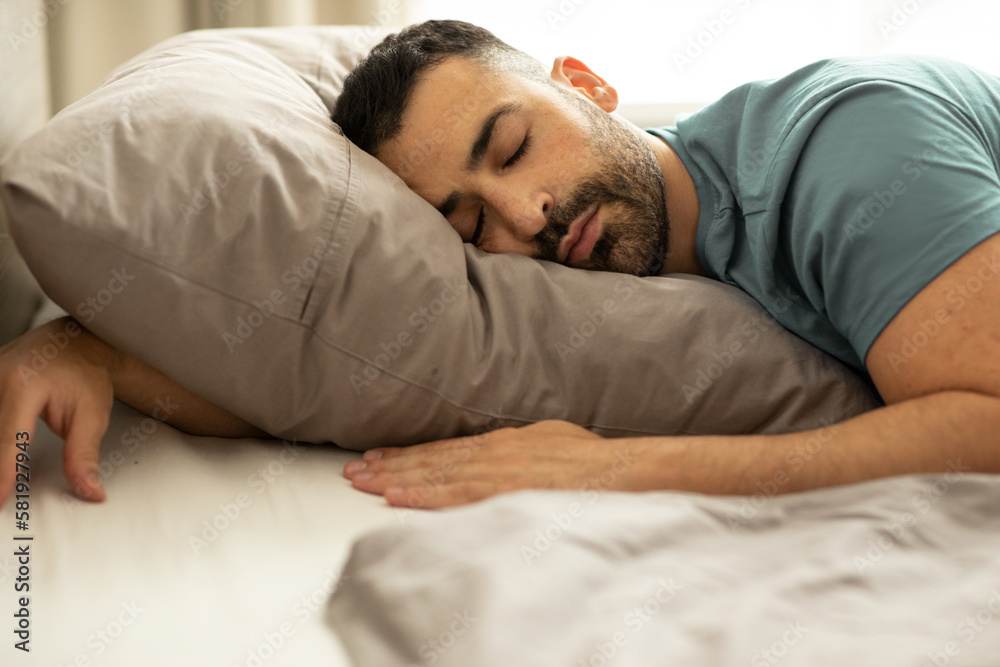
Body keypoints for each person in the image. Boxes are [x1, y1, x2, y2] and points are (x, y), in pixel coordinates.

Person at [1, 20, 998, 512]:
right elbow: (347, 370)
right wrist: (94, 346)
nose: (527, 215)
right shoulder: (579, 280)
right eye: (468, 220)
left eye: (514, 145)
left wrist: (614, 468)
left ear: (590, 85)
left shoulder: (846, 150)